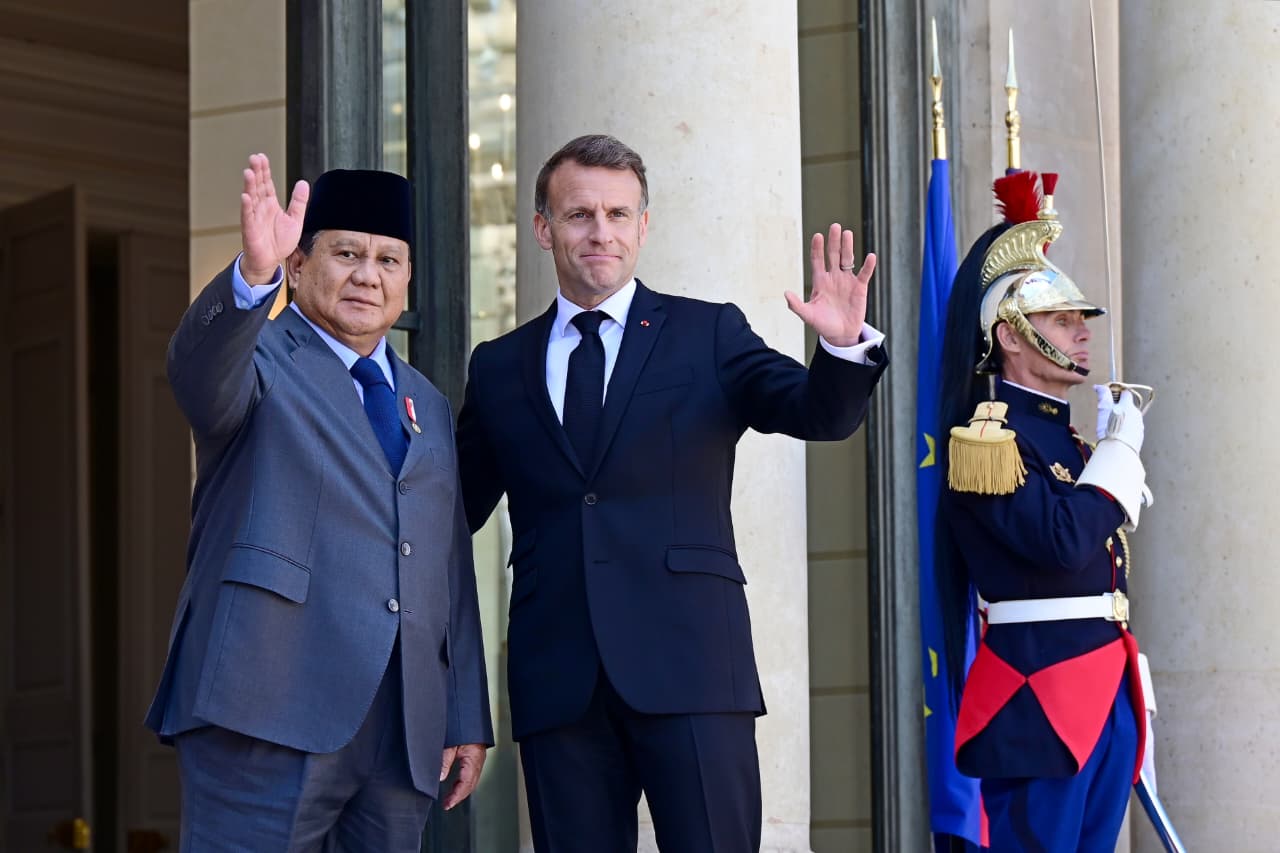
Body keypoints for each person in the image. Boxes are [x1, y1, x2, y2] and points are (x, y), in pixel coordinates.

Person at [456, 133, 887, 852]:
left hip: (692, 668)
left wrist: (841, 351)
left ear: (644, 226)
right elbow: (449, 515)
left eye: (619, 215)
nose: (601, 232)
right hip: (559, 680)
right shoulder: (499, 367)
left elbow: (817, 412)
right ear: (542, 228)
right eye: (580, 215)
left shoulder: (705, 333)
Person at [145, 154, 493, 852]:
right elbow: (197, 375)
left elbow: (446, 561)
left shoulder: (424, 400)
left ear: (407, 282)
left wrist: (464, 712)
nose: (369, 275)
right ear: (299, 267)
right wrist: (251, 278)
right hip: (266, 705)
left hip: (400, 727)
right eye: (347, 253)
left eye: (389, 260)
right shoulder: (260, 359)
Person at [934, 170, 1154, 851]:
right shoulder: (988, 439)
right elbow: (1060, 541)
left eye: (1080, 320)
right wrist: (1117, 460)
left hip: (1103, 683)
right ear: (1011, 335)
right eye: (1062, 320)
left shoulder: (1068, 439)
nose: (1081, 334)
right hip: (1038, 694)